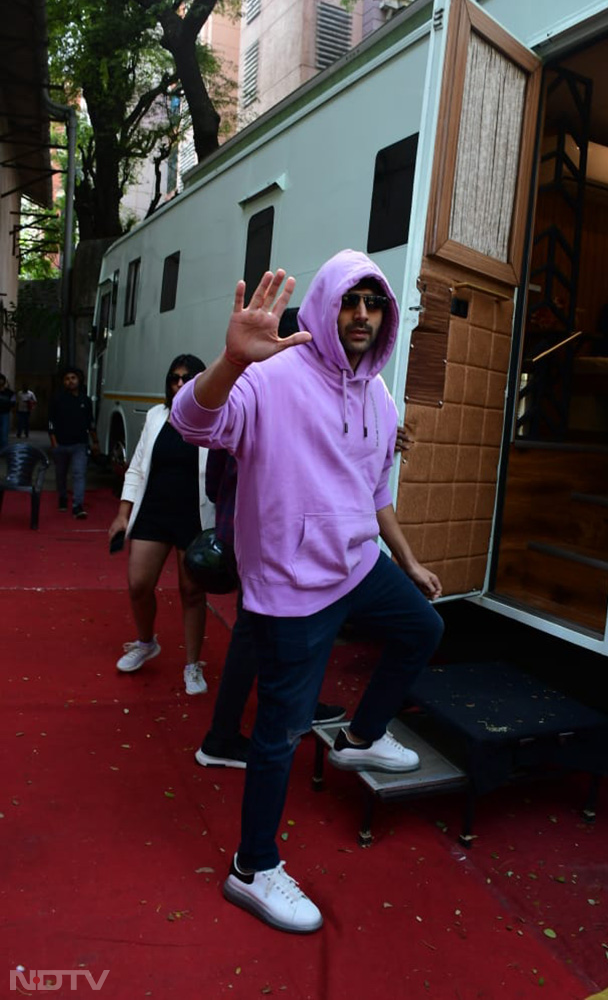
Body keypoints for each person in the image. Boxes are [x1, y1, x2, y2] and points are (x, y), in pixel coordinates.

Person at [171, 251, 444, 934]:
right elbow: (192, 424)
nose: (360, 315)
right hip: (294, 585)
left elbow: (374, 489)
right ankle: (252, 869)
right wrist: (232, 362)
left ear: (384, 316)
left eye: (372, 303)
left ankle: (360, 735)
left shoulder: (378, 394)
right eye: (349, 301)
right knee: (281, 734)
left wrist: (404, 560)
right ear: (325, 306)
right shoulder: (275, 374)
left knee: (423, 628)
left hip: (357, 565)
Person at [194, 448, 346, 770]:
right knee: (257, 632)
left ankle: (294, 707)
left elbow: (213, 484)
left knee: (264, 629)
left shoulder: (239, 399)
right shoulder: (265, 402)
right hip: (271, 536)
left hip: (251, 535)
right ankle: (222, 738)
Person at [108, 354, 215, 696]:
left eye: (187, 378)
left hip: (193, 516)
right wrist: (123, 514)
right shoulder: (157, 416)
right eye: (174, 378)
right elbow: (138, 467)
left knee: (192, 592)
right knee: (138, 584)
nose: (180, 384)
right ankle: (146, 641)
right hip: (153, 511)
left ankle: (193, 664)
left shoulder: (215, 418)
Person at [48, 367, 99, 518]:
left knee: (79, 474)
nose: (70, 381)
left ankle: (78, 505)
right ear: (63, 382)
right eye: (67, 379)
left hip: (79, 445)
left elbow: (90, 423)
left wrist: (95, 442)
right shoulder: (57, 399)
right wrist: (54, 443)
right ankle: (62, 497)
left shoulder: (86, 400)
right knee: (61, 474)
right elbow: (51, 422)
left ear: (78, 380)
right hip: (61, 444)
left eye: (73, 378)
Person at [0, 373, 15, 450]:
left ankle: (3, 450)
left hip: (5, 414)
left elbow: (13, 403)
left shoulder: (10, 392)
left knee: (4, 433)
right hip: (5, 413)